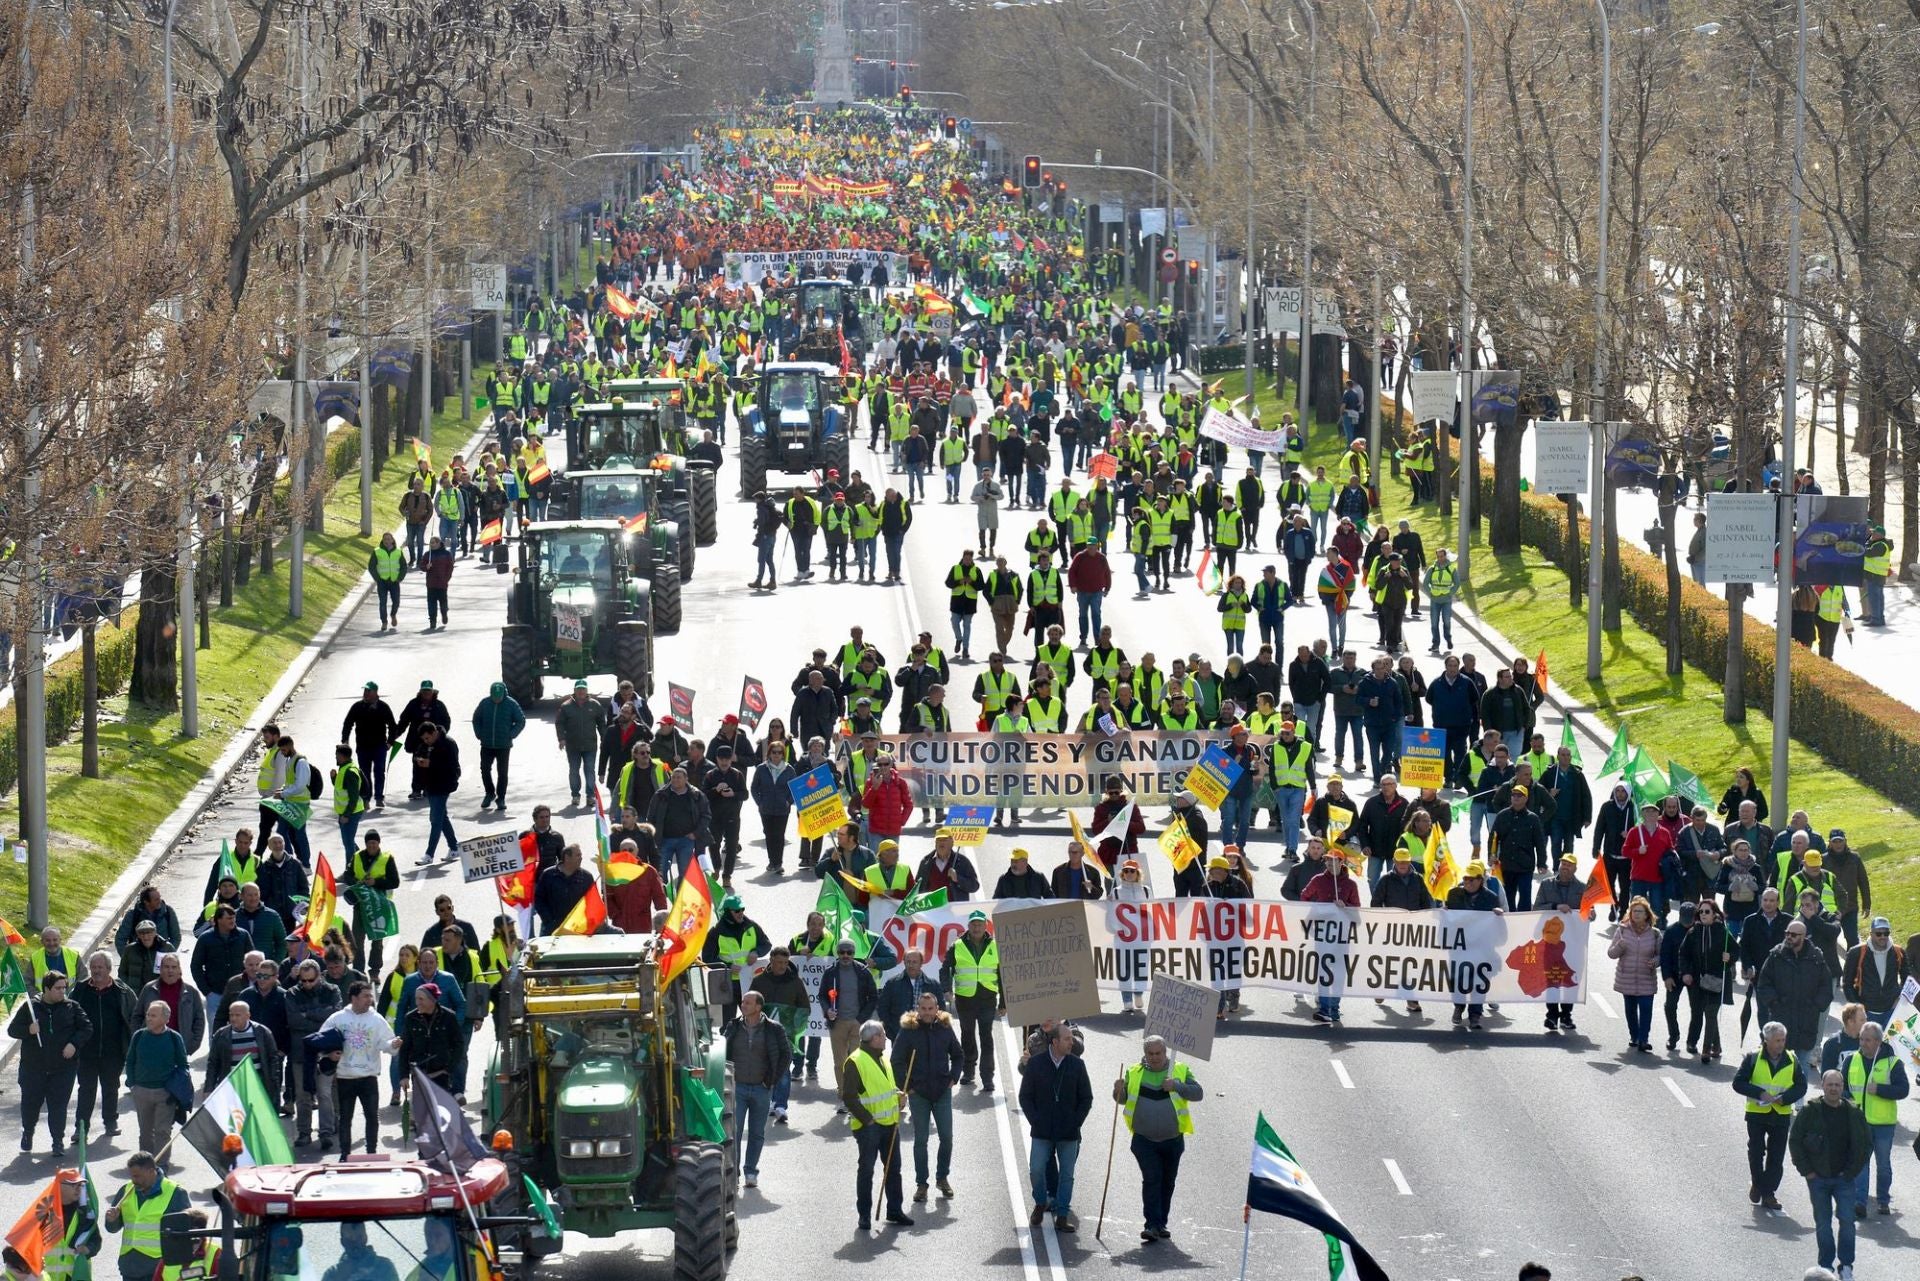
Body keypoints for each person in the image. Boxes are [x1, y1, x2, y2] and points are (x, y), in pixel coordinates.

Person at [1114, 1034, 1204, 1246]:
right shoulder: (1134, 1072)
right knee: (1152, 1178)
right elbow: (1123, 1099)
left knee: (1167, 1181)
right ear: (1145, 1054)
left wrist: (1176, 1086)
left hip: (1173, 1140)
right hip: (1144, 1140)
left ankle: (1161, 1223)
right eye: (1150, 1053)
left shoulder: (1180, 1070)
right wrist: (1117, 1090)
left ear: (1165, 1052)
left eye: (1158, 1053)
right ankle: (1151, 1225)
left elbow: (1198, 1093)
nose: (1154, 1057)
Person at [1790, 1070, 1870, 1277]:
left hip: (1844, 1179)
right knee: (1823, 1224)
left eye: (1837, 1085)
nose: (1833, 1088)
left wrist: (1851, 1172)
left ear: (1843, 1087)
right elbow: (1795, 1141)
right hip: (1818, 1179)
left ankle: (1846, 1266)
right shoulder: (1810, 1111)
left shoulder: (1853, 1113)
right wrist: (1806, 1171)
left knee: (1847, 1222)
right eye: (1829, 1085)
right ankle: (1825, 1267)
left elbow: (1864, 1146)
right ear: (1823, 1086)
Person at [1020, 1022, 1093, 1233]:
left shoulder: (1077, 1065)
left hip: (1069, 1133)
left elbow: (1086, 1098)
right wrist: (1036, 1119)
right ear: (1055, 1042)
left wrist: (1075, 1121)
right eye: (1068, 1039)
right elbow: (1025, 1096)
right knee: (1036, 1169)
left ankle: (1062, 1214)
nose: (1072, 1043)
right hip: (1042, 1131)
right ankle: (1040, 1201)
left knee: (1067, 1175)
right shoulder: (1036, 1064)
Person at [10, 970, 92, 1156]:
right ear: (46, 989)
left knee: (58, 1106)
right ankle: (28, 1133)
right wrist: (29, 1030)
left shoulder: (72, 1007)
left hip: (63, 1068)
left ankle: (57, 1141)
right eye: (58, 988)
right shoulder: (31, 1007)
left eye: (64, 987)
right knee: (31, 1104)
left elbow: (87, 1027)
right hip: (34, 1068)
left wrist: (74, 1044)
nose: (62, 991)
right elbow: (12, 1030)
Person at [892, 989, 962, 1203]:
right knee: (920, 1140)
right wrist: (906, 1086)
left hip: (941, 1091)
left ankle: (942, 1178)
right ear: (917, 1009)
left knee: (947, 1138)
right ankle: (922, 1184)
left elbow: (958, 1055)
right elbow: (896, 1060)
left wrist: (954, 1077)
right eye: (923, 1009)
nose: (927, 1013)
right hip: (919, 1093)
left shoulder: (944, 1027)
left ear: (937, 1009)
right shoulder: (908, 1030)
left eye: (931, 1009)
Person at [843, 1019, 911, 1232]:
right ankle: (864, 1215)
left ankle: (894, 1209)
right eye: (882, 1035)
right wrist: (868, 1120)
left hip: (890, 1123)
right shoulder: (855, 1061)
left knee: (894, 1169)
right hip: (869, 1127)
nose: (885, 1038)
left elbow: (886, 1088)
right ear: (873, 1039)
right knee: (866, 1170)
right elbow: (849, 1097)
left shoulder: (883, 1059)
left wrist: (899, 1095)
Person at [315, 981, 394, 1157]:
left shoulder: (377, 1020)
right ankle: (345, 1154)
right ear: (354, 998)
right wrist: (329, 1055)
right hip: (345, 1077)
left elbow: (387, 1043)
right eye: (366, 996)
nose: (370, 999)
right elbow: (320, 1041)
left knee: (372, 1117)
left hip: (368, 1077)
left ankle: (371, 1152)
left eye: (370, 996)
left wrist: (393, 1044)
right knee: (345, 1119)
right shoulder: (338, 1018)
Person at [1735, 1021, 1807, 1211]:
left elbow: (1801, 1086)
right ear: (1766, 1041)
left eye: (1783, 1040)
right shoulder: (1752, 1058)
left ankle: (1769, 1193)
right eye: (1777, 1040)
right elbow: (1738, 1083)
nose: (1781, 1044)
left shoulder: (1792, 1060)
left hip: (1780, 1114)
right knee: (1756, 1151)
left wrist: (1785, 1098)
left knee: (1776, 1157)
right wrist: (1760, 1093)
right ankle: (1758, 1184)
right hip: (1757, 1113)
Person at [1841, 1020, 1908, 1218]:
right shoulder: (1850, 1060)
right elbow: (1842, 1087)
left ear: (1879, 1041)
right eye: (1861, 1039)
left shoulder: (1892, 1062)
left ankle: (1883, 1200)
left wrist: (1880, 1090)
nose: (1863, 1043)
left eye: (1868, 1040)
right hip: (1860, 1122)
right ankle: (1859, 1202)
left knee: (1884, 1166)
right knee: (1861, 1163)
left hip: (1883, 1124)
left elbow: (1903, 1090)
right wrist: (1847, 1097)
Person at [725, 992, 788, 1192]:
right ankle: (733, 1173)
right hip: (738, 1088)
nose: (743, 1005)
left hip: (762, 1089)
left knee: (756, 1133)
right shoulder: (733, 1026)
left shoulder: (774, 1029)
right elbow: (721, 1052)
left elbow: (785, 1056)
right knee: (734, 1132)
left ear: (759, 1007)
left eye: (748, 1002)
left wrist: (771, 1081)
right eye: (742, 1002)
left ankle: (751, 1171)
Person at [1758, 918, 1834, 1075]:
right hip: (1781, 1022)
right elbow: (1764, 983)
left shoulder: (1816, 958)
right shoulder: (1776, 956)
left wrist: (1816, 1006)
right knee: (1777, 1068)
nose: (1789, 937)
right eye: (1787, 933)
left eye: (1793, 934)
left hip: (1806, 1024)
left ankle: (1798, 1100)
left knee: (1801, 1069)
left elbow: (1826, 988)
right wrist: (1774, 1003)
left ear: (1803, 936)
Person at [103, 1152, 188, 1281]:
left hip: (158, 1267)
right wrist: (111, 1220)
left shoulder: (175, 1193)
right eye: (131, 1176)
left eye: (137, 1176)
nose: (133, 1180)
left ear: (151, 1171)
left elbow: (185, 1232)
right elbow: (112, 1228)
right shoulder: (126, 1190)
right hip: (129, 1266)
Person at [945, 910, 1002, 1093]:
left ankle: (987, 1077)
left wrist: (1004, 1003)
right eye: (973, 924)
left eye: (980, 924)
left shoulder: (996, 945)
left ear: (986, 926)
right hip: (965, 999)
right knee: (967, 1036)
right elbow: (945, 968)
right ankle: (968, 1072)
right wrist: (947, 989)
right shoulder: (957, 945)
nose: (976, 927)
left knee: (987, 1037)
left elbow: (1002, 974)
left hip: (987, 998)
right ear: (968, 926)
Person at [818, 939, 879, 1102]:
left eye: (849, 952)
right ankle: (844, 1094)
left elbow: (873, 997)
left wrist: (861, 1019)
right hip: (837, 1023)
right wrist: (827, 1010)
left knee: (856, 1062)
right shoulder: (830, 972)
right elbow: (822, 995)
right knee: (840, 1062)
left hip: (857, 1024)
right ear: (838, 953)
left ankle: (855, 1095)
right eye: (842, 952)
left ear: (854, 954)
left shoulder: (863, 972)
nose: (845, 955)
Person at [1679, 899, 1733, 1061]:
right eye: (1701, 912)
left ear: (1714, 914)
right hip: (1697, 981)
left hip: (1716, 980)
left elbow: (1736, 950)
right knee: (1703, 1012)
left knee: (1710, 1013)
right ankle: (1716, 1046)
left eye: (1707, 911)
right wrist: (1686, 973)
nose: (1703, 914)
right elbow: (1683, 954)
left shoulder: (1723, 932)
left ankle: (1706, 1049)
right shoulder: (1693, 932)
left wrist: (1729, 958)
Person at [1608, 896, 1661, 1052]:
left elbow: (1661, 955)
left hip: (1647, 978)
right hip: (1627, 978)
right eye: (1634, 911)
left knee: (1646, 1008)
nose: (1636, 914)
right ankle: (1634, 1036)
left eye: (1640, 911)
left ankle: (1644, 1039)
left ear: (1647, 915)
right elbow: (1611, 954)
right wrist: (1620, 946)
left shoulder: (1655, 934)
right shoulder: (1622, 931)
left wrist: (1655, 962)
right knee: (1631, 1010)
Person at [470, 681, 526, 812]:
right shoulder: (485, 703)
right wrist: (479, 733)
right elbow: (476, 719)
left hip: (503, 745)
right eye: (494, 697)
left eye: (499, 697)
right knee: (485, 769)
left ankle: (501, 798)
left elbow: (521, 720)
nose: (496, 700)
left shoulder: (511, 704)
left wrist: (511, 734)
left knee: (502, 773)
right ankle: (489, 793)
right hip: (487, 744)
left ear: (503, 694)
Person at [414, 722, 461, 864]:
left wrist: (431, 763)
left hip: (444, 784)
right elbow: (417, 753)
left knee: (435, 820)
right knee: (441, 817)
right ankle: (454, 848)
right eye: (424, 739)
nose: (425, 741)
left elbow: (452, 765)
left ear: (435, 733)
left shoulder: (448, 743)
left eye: (428, 738)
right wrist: (418, 759)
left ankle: (429, 854)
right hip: (430, 785)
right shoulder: (425, 745)